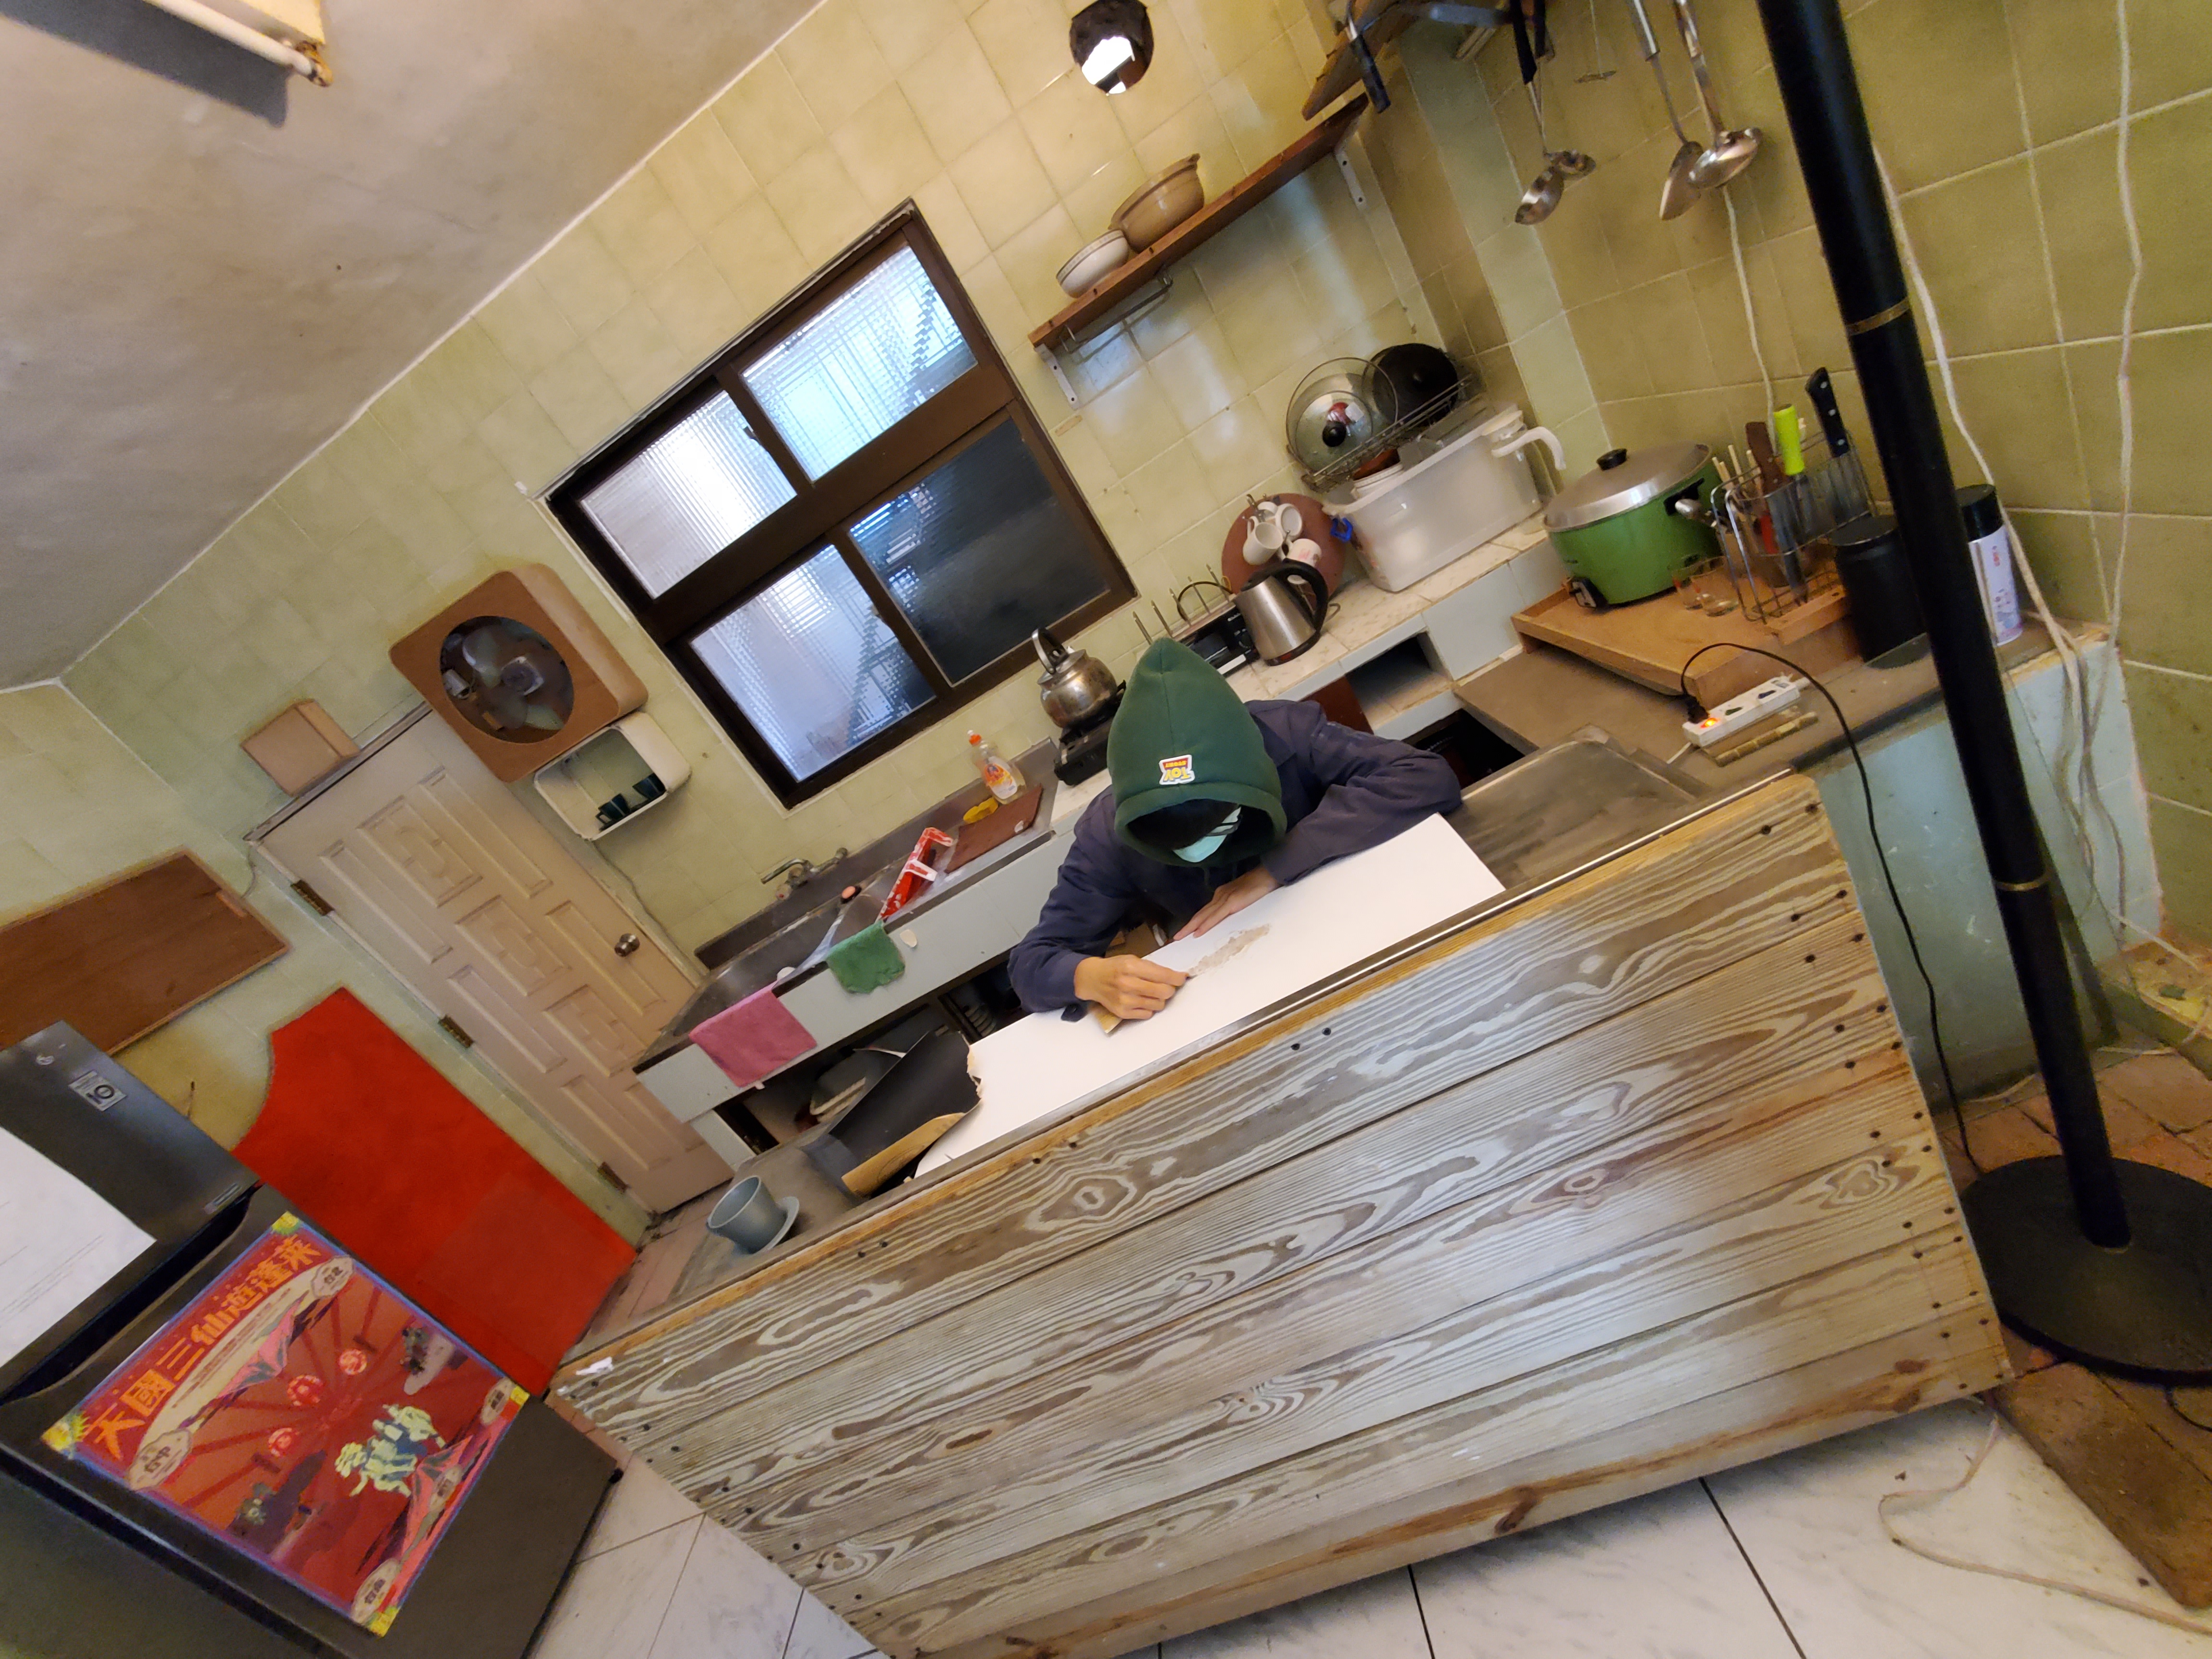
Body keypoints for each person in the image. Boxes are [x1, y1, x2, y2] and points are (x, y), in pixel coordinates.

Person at [1009, 638, 1464, 1022]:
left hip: (1361, 930)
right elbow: (1031, 963)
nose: (1201, 852)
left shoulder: (1284, 733)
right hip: (1246, 984)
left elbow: (1424, 776)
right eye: (1176, 844)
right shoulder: (1107, 831)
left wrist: (1275, 868)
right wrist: (1088, 977)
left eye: (1219, 827)